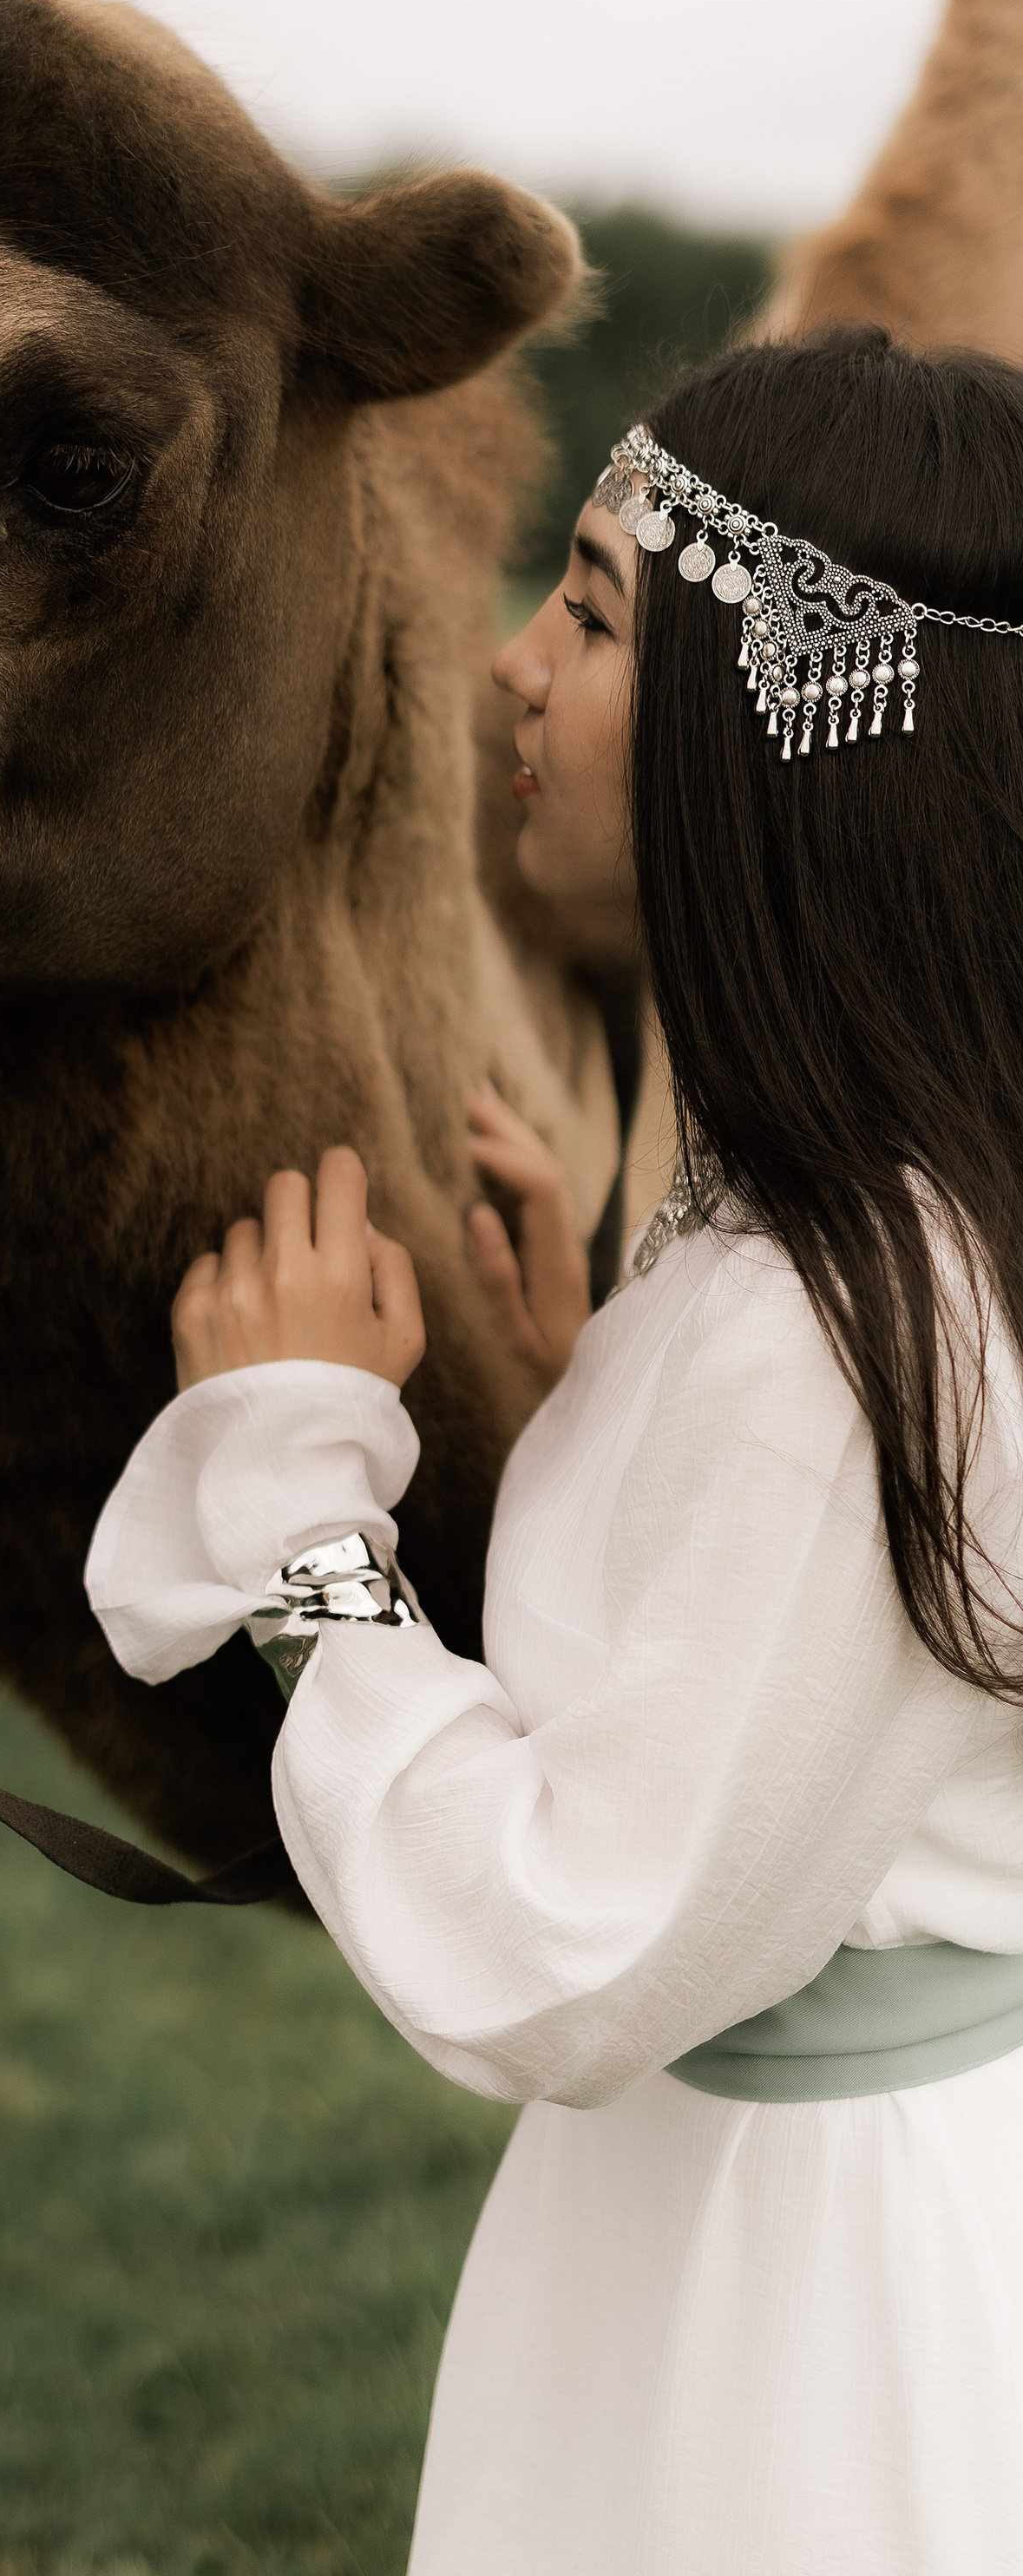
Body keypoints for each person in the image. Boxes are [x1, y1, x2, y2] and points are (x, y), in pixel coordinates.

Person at [85, 325, 1023, 2576]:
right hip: (746, 2206)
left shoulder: (845, 1335)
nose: (513, 668)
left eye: (593, 614)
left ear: (784, 730)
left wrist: (298, 1507)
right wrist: (598, 1371)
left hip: (806, 2307)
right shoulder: (870, 1223)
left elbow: (568, 1948)